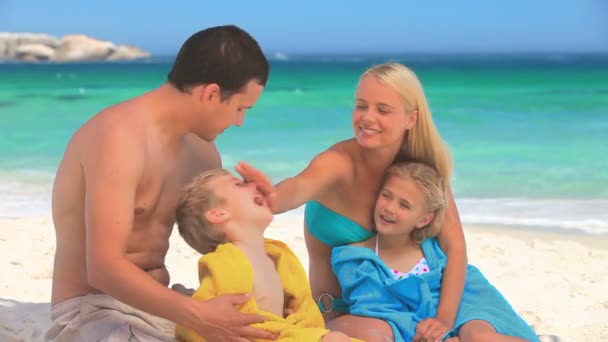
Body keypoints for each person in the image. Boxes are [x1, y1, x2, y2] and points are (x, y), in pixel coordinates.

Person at [47, 25, 277, 341]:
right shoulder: (119, 137)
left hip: (166, 304)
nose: (239, 122)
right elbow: (102, 268)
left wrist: (256, 210)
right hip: (93, 309)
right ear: (211, 93)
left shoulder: (203, 153)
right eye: (240, 108)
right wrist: (200, 316)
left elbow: (216, 243)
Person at [236, 62, 467, 341]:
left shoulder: (421, 170)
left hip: (424, 301)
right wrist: (268, 197)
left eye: (382, 110)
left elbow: (454, 247)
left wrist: (443, 317)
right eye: (361, 106)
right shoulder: (339, 163)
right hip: (342, 313)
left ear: (411, 118)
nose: (367, 117)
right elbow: (298, 187)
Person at [332, 161, 539, 342]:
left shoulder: (433, 253)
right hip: (412, 332)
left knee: (478, 337)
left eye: (404, 205)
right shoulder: (357, 260)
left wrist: (449, 330)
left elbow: (467, 293)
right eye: (387, 196)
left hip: (462, 311)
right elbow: (374, 310)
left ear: (423, 220)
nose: (390, 208)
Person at [174, 168, 357, 342]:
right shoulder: (225, 262)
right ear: (218, 214)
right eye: (239, 184)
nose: (255, 186)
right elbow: (198, 321)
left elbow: (303, 309)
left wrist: (301, 322)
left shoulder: (277, 256)